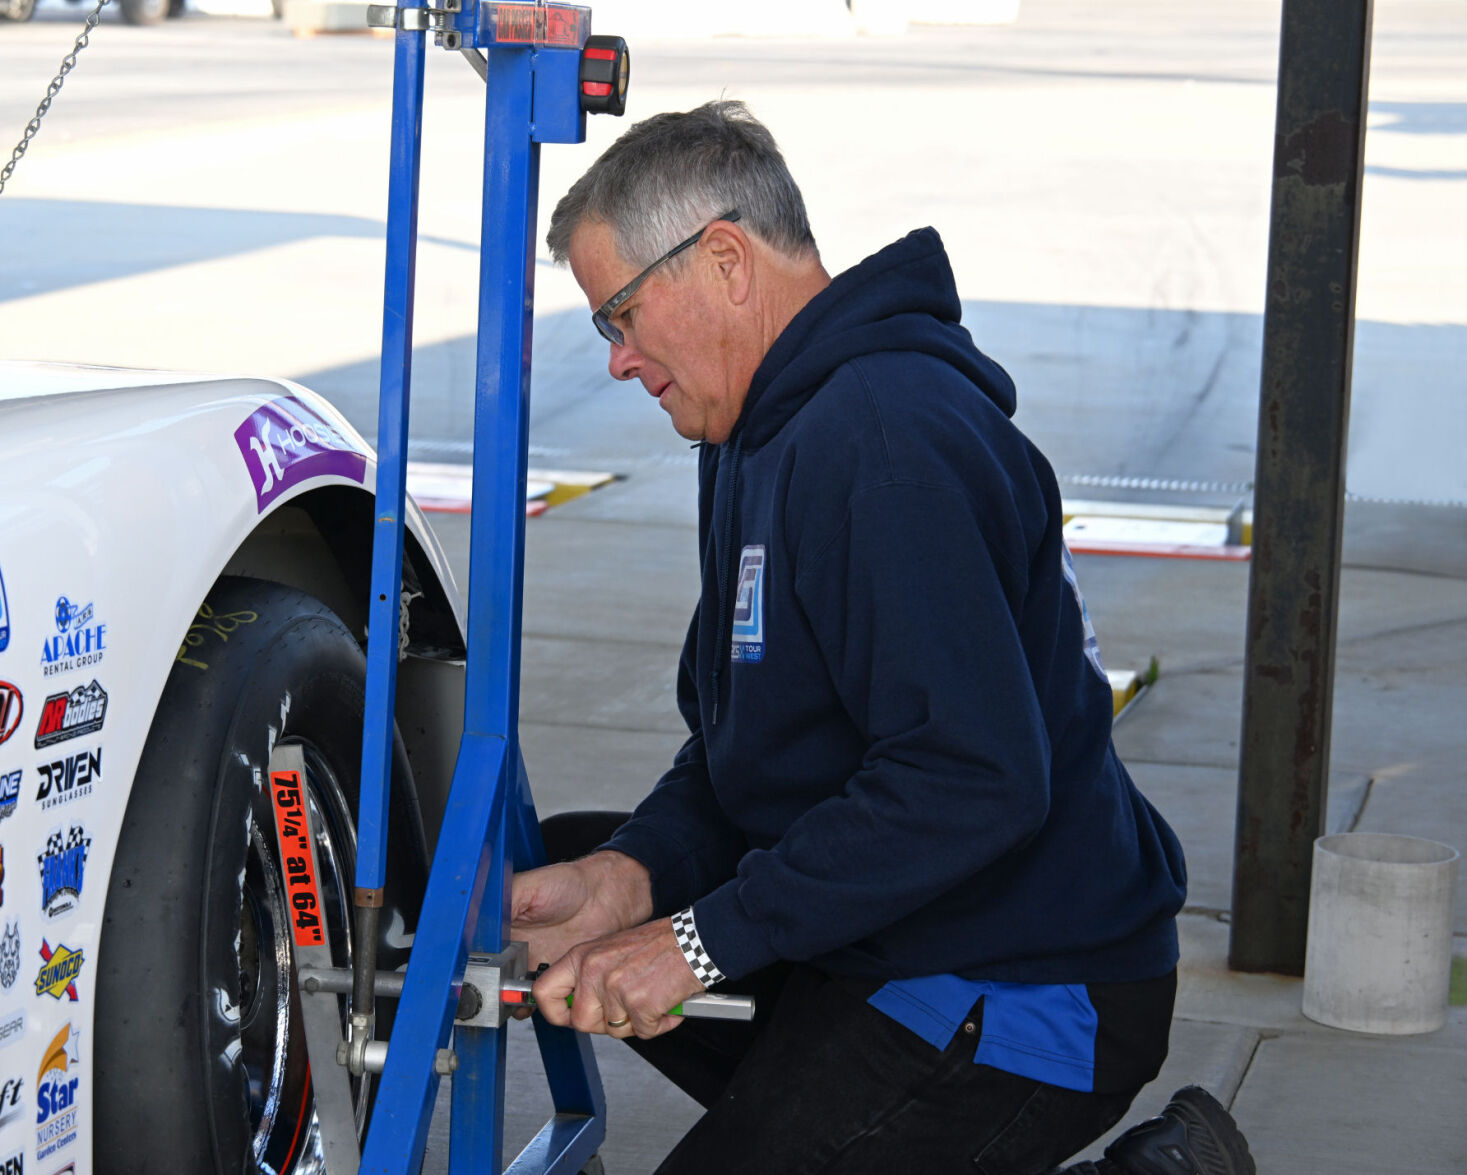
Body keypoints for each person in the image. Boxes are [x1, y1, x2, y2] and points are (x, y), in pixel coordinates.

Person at [509, 100, 1255, 1175]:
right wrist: (635, 875)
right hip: (890, 934)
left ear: (722, 258)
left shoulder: (880, 439)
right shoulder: (755, 429)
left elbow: (970, 776)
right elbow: (736, 750)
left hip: (1015, 988)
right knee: (584, 855)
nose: (617, 361)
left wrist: (691, 941)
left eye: (618, 314)